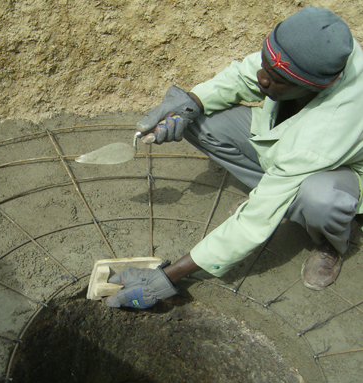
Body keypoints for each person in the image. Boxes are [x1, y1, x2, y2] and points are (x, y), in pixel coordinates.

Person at [107, 6, 363, 309]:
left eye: (276, 78)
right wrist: (188, 104)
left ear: (313, 86)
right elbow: (244, 75)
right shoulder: (317, 50)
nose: (261, 79)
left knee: (319, 198)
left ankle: (331, 244)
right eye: (265, 64)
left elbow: (253, 223)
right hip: (290, 154)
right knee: (201, 121)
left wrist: (168, 276)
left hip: (340, 172)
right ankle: (276, 195)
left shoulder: (327, 130)